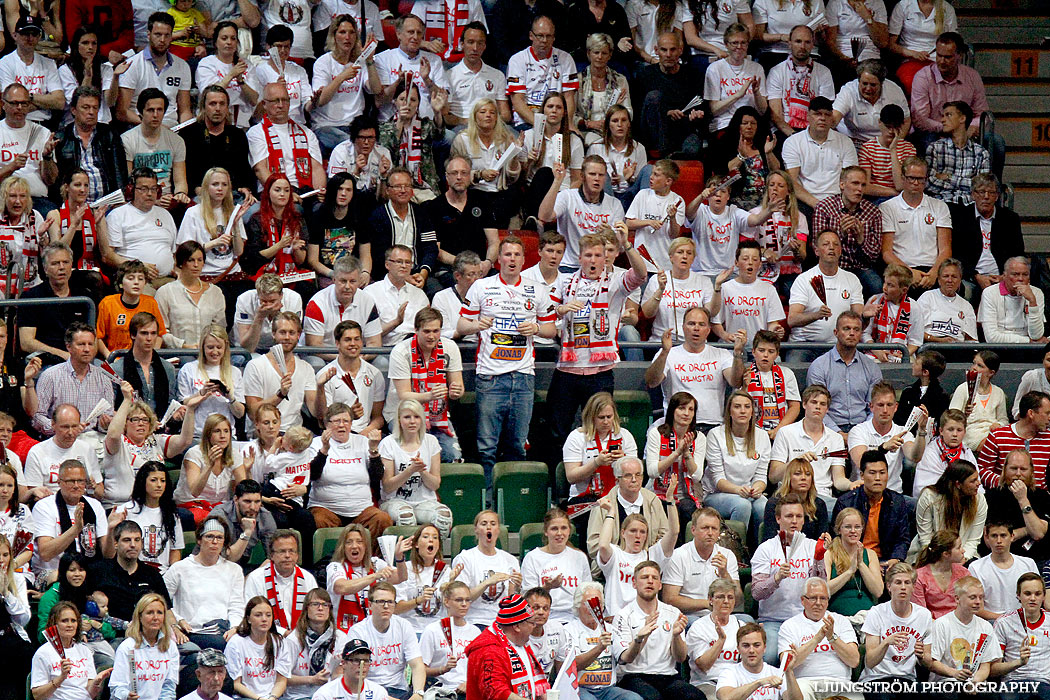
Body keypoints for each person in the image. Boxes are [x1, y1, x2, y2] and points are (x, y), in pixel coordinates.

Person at [457, 236, 557, 490]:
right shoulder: (481, 286)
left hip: (523, 377)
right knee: (486, 447)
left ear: (524, 260)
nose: (512, 260)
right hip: (490, 378)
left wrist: (535, 327)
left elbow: (551, 329)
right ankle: (488, 501)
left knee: (518, 444)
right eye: (507, 255)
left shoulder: (537, 289)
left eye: (517, 255)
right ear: (499, 258)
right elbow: (460, 325)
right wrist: (476, 325)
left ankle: (514, 498)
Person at [548, 227, 645, 454]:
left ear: (606, 257)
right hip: (567, 369)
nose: (593, 260)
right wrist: (561, 309)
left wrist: (627, 245)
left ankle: (597, 482)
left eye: (598, 255)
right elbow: (546, 312)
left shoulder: (615, 282)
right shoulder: (565, 282)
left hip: (599, 373)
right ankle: (560, 483)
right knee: (556, 431)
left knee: (599, 430)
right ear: (579, 257)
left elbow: (640, 275)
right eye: (588, 255)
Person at [612, 561, 704, 700]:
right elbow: (625, 658)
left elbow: (680, 657)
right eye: (644, 577)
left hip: (667, 676)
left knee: (695, 697)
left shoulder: (673, 613)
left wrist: (676, 636)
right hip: (633, 676)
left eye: (654, 578)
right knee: (653, 698)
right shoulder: (624, 616)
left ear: (660, 585)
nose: (650, 581)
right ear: (634, 583)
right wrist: (640, 638)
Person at [645, 307, 746, 432]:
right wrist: (665, 352)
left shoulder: (722, 354)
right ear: (683, 328)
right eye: (691, 324)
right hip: (677, 425)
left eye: (701, 324)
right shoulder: (668, 353)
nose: (696, 328)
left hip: (713, 425)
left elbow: (736, 382)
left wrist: (737, 353)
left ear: (708, 330)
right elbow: (652, 381)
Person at [751, 494, 824, 664]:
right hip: (773, 620)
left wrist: (819, 560)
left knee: (814, 660)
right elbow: (756, 592)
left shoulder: (813, 547)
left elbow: (822, 585)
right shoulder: (766, 549)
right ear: (778, 519)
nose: (794, 521)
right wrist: (776, 578)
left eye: (798, 516)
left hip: (806, 619)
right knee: (768, 658)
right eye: (789, 516)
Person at [385, 308, 464, 462]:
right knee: (415, 457)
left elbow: (458, 387)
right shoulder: (401, 351)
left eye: (436, 331)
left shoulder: (450, 347)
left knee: (453, 457)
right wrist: (430, 395)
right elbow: (404, 395)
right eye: (426, 331)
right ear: (416, 330)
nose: (432, 336)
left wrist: (456, 391)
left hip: (438, 414)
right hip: (403, 412)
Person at [102, 385, 199, 510]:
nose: (141, 423)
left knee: (185, 517)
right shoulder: (119, 442)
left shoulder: (156, 441)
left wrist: (190, 410)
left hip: (152, 505)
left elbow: (185, 441)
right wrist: (127, 400)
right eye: (135, 419)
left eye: (145, 420)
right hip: (121, 506)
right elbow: (114, 434)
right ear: (125, 423)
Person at [308, 403, 391, 536]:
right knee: (317, 520)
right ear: (327, 424)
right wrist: (324, 451)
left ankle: (374, 557)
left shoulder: (363, 442)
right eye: (336, 421)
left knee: (382, 519)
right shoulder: (316, 443)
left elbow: (377, 476)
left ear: (351, 424)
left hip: (361, 510)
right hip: (326, 508)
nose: (342, 425)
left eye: (346, 421)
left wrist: (374, 450)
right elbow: (312, 475)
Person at [163, 515, 245, 649]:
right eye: (209, 536)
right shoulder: (180, 568)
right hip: (192, 631)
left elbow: (236, 605)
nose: (214, 541)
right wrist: (177, 620)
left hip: (223, 630)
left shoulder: (234, 570)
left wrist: (235, 628)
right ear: (199, 540)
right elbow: (161, 600)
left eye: (219, 538)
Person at [596, 486, 679, 617]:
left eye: (642, 532)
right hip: (616, 619)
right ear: (623, 533)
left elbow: (673, 532)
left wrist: (670, 500)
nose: (638, 536)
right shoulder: (616, 555)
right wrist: (611, 512)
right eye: (633, 531)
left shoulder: (652, 556)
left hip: (646, 619)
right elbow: (603, 546)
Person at [378, 400, 454, 536]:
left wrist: (422, 471)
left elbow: (435, 485)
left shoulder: (431, 441)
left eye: (416, 417)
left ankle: (435, 553)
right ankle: (407, 554)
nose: (412, 421)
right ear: (399, 420)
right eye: (407, 417)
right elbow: (388, 486)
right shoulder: (388, 443)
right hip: (394, 501)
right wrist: (409, 471)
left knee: (444, 515)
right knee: (405, 515)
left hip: (424, 501)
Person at [310, 15, 382, 156]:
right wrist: (341, 77)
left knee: (372, 145)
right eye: (342, 32)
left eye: (351, 32)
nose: (347, 37)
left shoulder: (360, 62)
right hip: (326, 126)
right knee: (354, 146)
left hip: (354, 126)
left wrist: (369, 61)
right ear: (334, 36)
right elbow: (320, 101)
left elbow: (376, 89)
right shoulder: (323, 62)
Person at [879, 157, 953, 293]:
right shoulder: (887, 207)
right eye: (911, 178)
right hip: (900, 270)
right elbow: (887, 252)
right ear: (902, 178)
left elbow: (945, 249)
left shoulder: (940, 206)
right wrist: (909, 272)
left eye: (920, 179)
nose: (915, 183)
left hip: (932, 269)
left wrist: (934, 273)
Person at [32, 458, 116, 576]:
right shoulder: (44, 507)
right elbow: (46, 553)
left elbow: (108, 555)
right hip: (53, 573)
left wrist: (111, 529)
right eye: (71, 481)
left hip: (88, 570)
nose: (76, 486)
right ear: (59, 482)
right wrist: (76, 529)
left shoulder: (95, 506)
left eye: (81, 481)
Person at [777, 577, 860, 697]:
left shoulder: (841, 621)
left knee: (856, 696)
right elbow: (788, 664)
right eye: (813, 598)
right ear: (803, 600)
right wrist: (817, 639)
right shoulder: (789, 626)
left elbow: (854, 661)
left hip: (839, 682)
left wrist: (832, 637)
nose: (818, 603)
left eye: (823, 598)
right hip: (804, 682)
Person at [340, 583, 425, 700]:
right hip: (368, 691)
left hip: (399, 690)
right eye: (380, 602)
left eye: (390, 602)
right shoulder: (358, 631)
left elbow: (417, 664)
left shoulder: (404, 626)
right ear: (370, 605)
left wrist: (418, 693)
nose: (386, 606)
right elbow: (353, 673)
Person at [27, 323, 114, 436]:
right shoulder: (51, 376)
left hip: (92, 438)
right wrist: (61, 429)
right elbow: (38, 417)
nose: (87, 349)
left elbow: (108, 416)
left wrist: (105, 424)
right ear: (69, 347)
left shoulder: (103, 378)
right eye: (81, 344)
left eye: (91, 344)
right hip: (57, 438)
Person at [18, 243, 97, 368]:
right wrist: (64, 356)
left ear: (71, 265)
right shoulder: (31, 297)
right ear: (45, 268)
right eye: (55, 263)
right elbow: (26, 342)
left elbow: (93, 336)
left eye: (65, 262)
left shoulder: (85, 297)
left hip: (81, 359)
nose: (61, 267)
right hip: (45, 361)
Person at [425, 155, 499, 287]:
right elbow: (436, 250)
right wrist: (465, 266)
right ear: (447, 177)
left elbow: (494, 241)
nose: (459, 177)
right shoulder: (433, 207)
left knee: (502, 287)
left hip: (480, 269)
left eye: (464, 173)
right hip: (449, 270)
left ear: (470, 176)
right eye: (454, 173)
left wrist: (487, 263)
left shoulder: (482, 202)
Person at [702, 391, 771, 533]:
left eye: (747, 407)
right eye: (737, 406)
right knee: (742, 505)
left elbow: (761, 476)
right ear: (730, 412)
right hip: (716, 494)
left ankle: (761, 550)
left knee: (764, 505)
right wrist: (738, 490)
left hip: (748, 493)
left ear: (752, 412)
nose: (743, 411)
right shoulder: (715, 435)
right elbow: (718, 480)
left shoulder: (762, 436)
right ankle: (737, 549)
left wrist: (758, 488)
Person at [834, 449, 914, 570]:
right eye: (872, 473)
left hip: (886, 560)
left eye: (882, 473)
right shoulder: (846, 502)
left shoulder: (897, 501)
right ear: (862, 475)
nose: (878, 478)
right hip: (853, 559)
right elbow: (837, 538)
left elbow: (902, 538)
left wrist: (896, 558)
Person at [583, 454, 669, 566]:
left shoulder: (653, 500)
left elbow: (665, 536)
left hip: (647, 564)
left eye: (638, 475)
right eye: (628, 476)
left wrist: (646, 556)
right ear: (617, 480)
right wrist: (622, 556)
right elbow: (593, 546)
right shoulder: (603, 505)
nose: (634, 480)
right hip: (613, 565)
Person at [812, 166, 884, 297]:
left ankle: (870, 316)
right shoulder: (824, 208)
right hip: (833, 266)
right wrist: (840, 236)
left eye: (863, 185)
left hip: (860, 267)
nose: (860, 189)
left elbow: (873, 257)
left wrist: (861, 240)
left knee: (876, 285)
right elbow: (818, 250)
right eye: (855, 183)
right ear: (842, 184)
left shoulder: (873, 212)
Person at [243, 312, 321, 432]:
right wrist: (280, 395)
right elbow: (253, 412)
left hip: (294, 433)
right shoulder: (255, 366)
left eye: (292, 333)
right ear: (273, 334)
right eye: (282, 332)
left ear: (299, 335)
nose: (287, 337)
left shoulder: (306, 368)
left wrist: (321, 387)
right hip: (263, 433)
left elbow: (315, 411)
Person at [450, 99, 521, 229]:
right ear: (475, 116)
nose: (488, 115)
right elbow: (455, 174)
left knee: (513, 194)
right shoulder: (462, 140)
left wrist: (514, 155)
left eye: (492, 112)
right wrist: (480, 175)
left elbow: (512, 178)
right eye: (483, 112)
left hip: (499, 191)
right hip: (474, 190)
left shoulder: (505, 139)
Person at [806, 312, 881, 435]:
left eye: (856, 329)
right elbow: (816, 407)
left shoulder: (872, 367)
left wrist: (863, 432)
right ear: (836, 333)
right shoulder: (819, 366)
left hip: (864, 429)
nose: (852, 333)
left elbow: (875, 406)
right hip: (827, 430)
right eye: (846, 329)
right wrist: (838, 433)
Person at [786, 231, 864, 349]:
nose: (831, 247)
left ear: (840, 251)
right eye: (826, 244)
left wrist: (866, 317)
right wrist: (816, 315)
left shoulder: (852, 280)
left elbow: (858, 319)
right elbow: (792, 320)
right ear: (816, 251)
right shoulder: (803, 279)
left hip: (840, 345)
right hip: (804, 344)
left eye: (836, 244)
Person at [661, 507, 742, 619]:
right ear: (693, 530)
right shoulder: (678, 556)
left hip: (721, 616)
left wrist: (724, 574)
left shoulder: (727, 555)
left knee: (747, 621)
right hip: (689, 616)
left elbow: (738, 600)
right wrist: (707, 604)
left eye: (714, 529)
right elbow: (669, 599)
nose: (710, 533)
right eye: (705, 528)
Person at [860, 562, 932, 688]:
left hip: (907, 679)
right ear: (889, 586)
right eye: (898, 583)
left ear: (914, 586)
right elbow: (870, 662)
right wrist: (886, 642)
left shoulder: (924, 615)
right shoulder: (876, 613)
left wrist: (921, 657)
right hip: (876, 679)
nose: (903, 587)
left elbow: (928, 662)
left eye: (907, 583)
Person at [103, 168, 178, 287]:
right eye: (144, 189)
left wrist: (175, 268)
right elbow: (108, 256)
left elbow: (174, 253)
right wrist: (138, 266)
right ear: (131, 190)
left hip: (167, 280)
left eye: (153, 189)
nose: (149, 193)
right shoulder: (118, 215)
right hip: (135, 280)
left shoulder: (165, 215)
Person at [910, 32, 987, 149]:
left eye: (947, 57)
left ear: (960, 55)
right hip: (933, 132)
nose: (941, 61)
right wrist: (948, 128)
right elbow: (920, 119)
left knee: (997, 143)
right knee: (928, 142)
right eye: (939, 55)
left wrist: (967, 128)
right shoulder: (923, 77)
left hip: (965, 131)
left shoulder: (972, 76)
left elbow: (982, 114)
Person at [633, 32, 705, 157]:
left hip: (683, 129)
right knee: (654, 96)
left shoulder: (692, 75)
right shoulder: (645, 75)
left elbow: (701, 106)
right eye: (664, 50)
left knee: (693, 148)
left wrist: (697, 114)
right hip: (654, 132)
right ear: (656, 50)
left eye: (672, 50)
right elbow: (639, 112)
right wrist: (665, 113)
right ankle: (664, 152)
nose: (668, 55)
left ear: (680, 50)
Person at [246, 82, 325, 194]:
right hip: (273, 192)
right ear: (264, 104)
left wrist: (319, 192)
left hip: (305, 190)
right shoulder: (256, 132)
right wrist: (285, 192)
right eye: (275, 101)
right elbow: (260, 169)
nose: (281, 105)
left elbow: (316, 168)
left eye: (285, 100)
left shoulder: (306, 132)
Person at [781, 96, 859, 210]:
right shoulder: (793, 142)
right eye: (817, 114)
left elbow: (852, 178)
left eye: (827, 115)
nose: (822, 118)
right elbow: (791, 181)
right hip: (805, 202)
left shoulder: (845, 142)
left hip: (838, 201)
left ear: (832, 118)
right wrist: (818, 205)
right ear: (807, 116)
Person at [463, 594, 546, 700]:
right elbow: (494, 690)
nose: (534, 627)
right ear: (516, 627)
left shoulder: (518, 642)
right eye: (532, 623)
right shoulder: (488, 650)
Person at [847, 383, 926, 494]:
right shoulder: (858, 431)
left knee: (916, 507)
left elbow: (915, 457)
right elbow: (861, 462)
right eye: (880, 405)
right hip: (863, 493)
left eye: (889, 405)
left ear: (896, 407)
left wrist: (921, 430)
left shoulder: (902, 431)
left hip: (893, 494)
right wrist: (883, 448)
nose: (885, 410)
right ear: (871, 407)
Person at [364, 172, 438, 289]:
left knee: (435, 290)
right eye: (398, 186)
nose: (403, 190)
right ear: (388, 190)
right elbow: (379, 256)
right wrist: (403, 277)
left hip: (417, 272)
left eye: (407, 186)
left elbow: (431, 249)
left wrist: (423, 274)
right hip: (387, 274)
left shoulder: (421, 214)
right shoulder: (377, 216)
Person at [55, 86, 128, 204]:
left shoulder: (109, 134)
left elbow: (120, 173)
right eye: (86, 107)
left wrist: (120, 202)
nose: (91, 112)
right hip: (75, 205)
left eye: (95, 108)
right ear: (73, 110)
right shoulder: (61, 138)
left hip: (108, 203)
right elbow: (57, 181)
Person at [116, 13, 192, 127]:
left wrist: (186, 129)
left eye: (167, 35)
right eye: (158, 34)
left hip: (172, 128)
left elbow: (185, 111)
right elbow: (122, 112)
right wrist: (153, 125)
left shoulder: (182, 66)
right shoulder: (132, 65)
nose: (162, 40)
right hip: (139, 125)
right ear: (148, 35)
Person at [325, 523, 404, 633]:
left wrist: (400, 558)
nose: (354, 546)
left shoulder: (375, 563)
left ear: (366, 546)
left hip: (371, 630)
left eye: (359, 541)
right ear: (343, 547)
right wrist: (375, 576)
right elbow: (341, 587)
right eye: (349, 542)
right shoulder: (335, 566)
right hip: (342, 631)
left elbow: (401, 577)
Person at [90, 520, 172, 623]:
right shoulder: (98, 571)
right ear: (116, 543)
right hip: (111, 635)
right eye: (127, 540)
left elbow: (167, 610)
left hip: (145, 634)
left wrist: (175, 629)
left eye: (137, 540)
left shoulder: (152, 574)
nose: (133, 545)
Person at [373, 15, 450, 124]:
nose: (415, 37)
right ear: (398, 34)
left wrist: (427, 79)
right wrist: (397, 82)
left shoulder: (434, 60)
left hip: (426, 125)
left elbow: (444, 103)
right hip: (391, 125)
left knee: (450, 138)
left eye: (419, 33)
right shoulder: (383, 59)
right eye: (410, 32)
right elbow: (380, 101)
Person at [450, 510, 522, 627]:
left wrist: (517, 587)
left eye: (493, 524)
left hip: (502, 622)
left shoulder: (510, 560)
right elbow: (463, 598)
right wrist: (487, 583)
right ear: (476, 530)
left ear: (498, 530)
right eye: (484, 524)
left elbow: (511, 601)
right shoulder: (465, 558)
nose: (489, 527)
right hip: (474, 621)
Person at [121, 89, 191, 209]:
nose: (155, 115)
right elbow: (127, 183)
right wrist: (154, 200)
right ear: (141, 112)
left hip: (167, 198)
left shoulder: (176, 140)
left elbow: (180, 181)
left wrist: (180, 195)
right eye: (150, 110)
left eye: (160, 110)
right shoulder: (127, 139)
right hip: (139, 198)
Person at [521, 508, 593, 624]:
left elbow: (588, 592)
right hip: (544, 619)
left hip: (575, 619)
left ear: (569, 530)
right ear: (546, 531)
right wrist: (547, 588)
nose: (560, 533)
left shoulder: (580, 557)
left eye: (564, 528)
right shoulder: (532, 557)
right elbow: (528, 598)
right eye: (554, 529)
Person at [182, 85, 256, 195]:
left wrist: (245, 188)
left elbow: (245, 171)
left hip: (232, 194)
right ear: (203, 107)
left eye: (222, 104)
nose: (218, 108)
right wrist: (196, 189)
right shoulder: (188, 135)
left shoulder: (237, 135)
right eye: (213, 104)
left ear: (227, 108)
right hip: (200, 194)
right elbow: (186, 173)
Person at [506, 15, 578, 128]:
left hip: (557, 122)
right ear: (531, 35)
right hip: (527, 122)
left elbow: (569, 98)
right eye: (540, 36)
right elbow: (517, 101)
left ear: (554, 37)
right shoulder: (517, 60)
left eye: (548, 36)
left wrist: (566, 124)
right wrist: (542, 126)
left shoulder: (566, 58)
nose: (544, 40)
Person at [30, 602, 111, 700]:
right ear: (54, 623)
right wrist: (61, 678)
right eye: (64, 621)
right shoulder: (43, 653)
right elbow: (37, 695)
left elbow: (90, 693)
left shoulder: (84, 650)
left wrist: (97, 682)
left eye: (73, 621)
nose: (70, 625)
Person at [175, 413, 247, 524]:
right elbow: (195, 491)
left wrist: (247, 471)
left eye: (226, 431)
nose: (223, 436)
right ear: (208, 435)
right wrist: (209, 465)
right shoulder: (194, 454)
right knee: (209, 520)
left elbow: (244, 489)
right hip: (192, 505)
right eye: (217, 431)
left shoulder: (234, 455)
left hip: (220, 507)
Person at [240, 172, 311, 283]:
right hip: (264, 274)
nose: (282, 194)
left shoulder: (297, 219)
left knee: (307, 288)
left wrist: (296, 250)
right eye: (277, 190)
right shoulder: (257, 219)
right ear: (268, 192)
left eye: (287, 190)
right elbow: (254, 258)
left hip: (290, 275)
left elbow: (301, 261)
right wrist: (279, 245)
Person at [644, 392, 703, 526]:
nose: (686, 413)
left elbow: (697, 476)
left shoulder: (699, 438)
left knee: (687, 510)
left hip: (685, 497)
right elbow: (652, 472)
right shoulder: (657, 433)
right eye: (681, 408)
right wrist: (676, 453)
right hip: (657, 494)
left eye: (691, 409)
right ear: (672, 411)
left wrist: (686, 453)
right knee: (666, 509)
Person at [315, 321, 385, 435]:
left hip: (365, 434)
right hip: (336, 434)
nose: (353, 343)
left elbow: (378, 418)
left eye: (357, 339)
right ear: (337, 343)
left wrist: (363, 436)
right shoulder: (325, 375)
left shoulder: (375, 374)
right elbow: (324, 419)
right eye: (347, 340)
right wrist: (349, 415)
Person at [176, 168, 246, 281]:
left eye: (224, 184)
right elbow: (186, 252)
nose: (220, 189)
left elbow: (239, 252)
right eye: (215, 184)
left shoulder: (234, 211)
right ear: (206, 187)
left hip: (233, 272)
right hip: (205, 274)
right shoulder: (193, 213)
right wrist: (214, 243)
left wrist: (236, 227)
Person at [379, 80, 446, 197]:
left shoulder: (424, 124)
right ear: (394, 102)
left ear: (418, 103)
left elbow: (439, 135)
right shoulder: (384, 128)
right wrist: (400, 121)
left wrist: (437, 113)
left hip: (424, 185)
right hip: (396, 186)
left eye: (413, 100)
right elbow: (388, 150)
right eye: (402, 99)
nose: (407, 104)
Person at [113, 462, 185, 572]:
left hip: (162, 574)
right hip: (131, 571)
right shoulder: (125, 510)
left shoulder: (172, 514)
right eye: (153, 480)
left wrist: (171, 573)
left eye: (163, 480)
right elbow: (113, 549)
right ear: (143, 482)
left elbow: (175, 550)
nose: (159, 485)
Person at [927, 576, 1001, 682]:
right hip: (946, 681)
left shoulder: (985, 626)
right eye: (972, 597)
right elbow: (932, 662)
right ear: (957, 599)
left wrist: (975, 682)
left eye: (981, 597)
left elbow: (985, 665)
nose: (978, 602)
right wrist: (954, 673)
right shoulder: (941, 624)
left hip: (975, 682)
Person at [176, 325, 245, 439]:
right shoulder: (188, 369)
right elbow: (184, 405)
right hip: (196, 434)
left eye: (219, 347)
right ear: (202, 347)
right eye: (210, 347)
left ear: (225, 348)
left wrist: (229, 396)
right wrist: (202, 393)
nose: (215, 351)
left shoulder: (235, 372)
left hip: (226, 436)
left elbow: (240, 413)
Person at [766, 26, 834, 139]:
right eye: (798, 41)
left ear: (813, 44)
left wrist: (810, 136)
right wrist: (794, 136)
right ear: (789, 43)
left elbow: (824, 111)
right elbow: (776, 114)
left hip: (814, 130)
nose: (802, 46)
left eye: (807, 42)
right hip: (784, 131)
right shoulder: (776, 71)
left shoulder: (824, 72)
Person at [910, 461, 986, 561]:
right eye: (973, 481)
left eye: (978, 479)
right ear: (958, 484)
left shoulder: (979, 500)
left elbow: (973, 540)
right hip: (931, 555)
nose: (979, 483)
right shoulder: (929, 497)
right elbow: (925, 538)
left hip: (965, 554)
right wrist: (942, 560)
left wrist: (963, 558)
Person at [983, 449, 1050, 563]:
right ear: (1004, 470)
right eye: (1013, 468)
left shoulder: (1042, 496)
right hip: (999, 559)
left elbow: (1038, 533)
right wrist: (1026, 530)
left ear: (1031, 472)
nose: (1018, 474)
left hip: (1036, 560)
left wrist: (1023, 499)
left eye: (1023, 469)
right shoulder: (991, 497)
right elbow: (990, 540)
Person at [109, 593, 179, 700]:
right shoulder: (127, 647)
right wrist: (126, 695)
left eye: (159, 613)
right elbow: (116, 689)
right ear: (140, 617)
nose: (155, 617)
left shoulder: (171, 646)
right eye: (150, 613)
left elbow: (169, 687)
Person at [685, 176, 754, 284]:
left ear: (728, 197)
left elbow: (756, 220)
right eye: (714, 191)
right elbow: (688, 213)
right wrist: (700, 196)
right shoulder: (701, 210)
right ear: (708, 195)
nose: (718, 194)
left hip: (730, 274)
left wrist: (769, 210)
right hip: (702, 273)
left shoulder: (733, 211)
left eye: (723, 191)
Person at [977, 390, 1050, 491]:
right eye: (1047, 413)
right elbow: (981, 470)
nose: (1049, 418)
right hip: (1004, 497)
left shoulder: (1048, 438)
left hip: (1040, 498)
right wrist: (1005, 484)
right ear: (1031, 413)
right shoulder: (997, 436)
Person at [304, 257, 381, 351]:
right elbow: (314, 346)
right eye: (343, 281)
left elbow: (374, 343)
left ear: (359, 280)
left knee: (381, 362)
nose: (347, 286)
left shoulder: (368, 301)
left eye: (352, 281)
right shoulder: (317, 303)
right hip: (325, 355)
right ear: (334, 279)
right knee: (316, 362)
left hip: (356, 354)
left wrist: (359, 359)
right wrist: (344, 359)